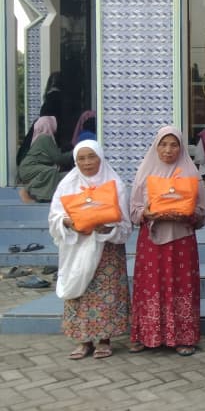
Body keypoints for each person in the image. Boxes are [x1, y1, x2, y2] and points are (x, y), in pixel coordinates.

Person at [128, 126, 205, 356]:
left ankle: (183, 337)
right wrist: (148, 213)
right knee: (150, 285)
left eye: (174, 145)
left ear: (181, 148)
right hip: (151, 242)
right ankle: (147, 335)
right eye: (163, 144)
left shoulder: (190, 174)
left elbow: (202, 212)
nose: (168, 149)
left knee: (182, 286)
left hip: (181, 241)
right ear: (156, 146)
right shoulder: (145, 173)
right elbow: (134, 210)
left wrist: (187, 214)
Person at [49, 140, 132, 360]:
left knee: (106, 294)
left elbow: (125, 223)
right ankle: (83, 340)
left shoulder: (115, 183)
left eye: (91, 157)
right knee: (81, 294)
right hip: (77, 248)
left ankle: (104, 340)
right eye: (81, 158)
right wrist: (68, 222)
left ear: (100, 157)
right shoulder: (67, 184)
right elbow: (55, 216)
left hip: (106, 250)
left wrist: (108, 227)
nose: (87, 163)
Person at [17, 116, 73, 202]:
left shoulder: (43, 138)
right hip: (29, 168)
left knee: (66, 176)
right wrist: (75, 152)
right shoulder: (44, 138)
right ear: (49, 125)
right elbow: (58, 159)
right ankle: (28, 191)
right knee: (51, 172)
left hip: (36, 169)